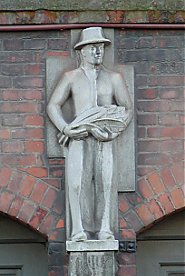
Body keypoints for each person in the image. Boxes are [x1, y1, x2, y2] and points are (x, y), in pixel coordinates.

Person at [47, 27, 133, 241]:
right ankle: (78, 228)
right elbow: (53, 106)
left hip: (105, 137)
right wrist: (67, 129)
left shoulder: (114, 78)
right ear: (82, 51)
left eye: (101, 47)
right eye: (93, 47)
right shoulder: (71, 77)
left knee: (106, 180)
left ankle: (105, 227)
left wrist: (114, 132)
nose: (98, 52)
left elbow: (127, 108)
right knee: (76, 182)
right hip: (80, 136)